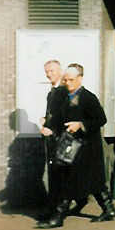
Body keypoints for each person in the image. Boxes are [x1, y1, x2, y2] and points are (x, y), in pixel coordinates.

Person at [37, 63, 115, 229]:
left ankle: (59, 216)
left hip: (87, 147)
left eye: (71, 80)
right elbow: (58, 118)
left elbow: (101, 119)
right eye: (65, 80)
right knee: (89, 180)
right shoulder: (66, 97)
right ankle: (109, 210)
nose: (68, 83)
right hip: (72, 147)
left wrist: (80, 124)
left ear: (80, 79)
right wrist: (49, 127)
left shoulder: (88, 98)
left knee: (72, 179)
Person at [39, 60, 69, 220]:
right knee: (53, 174)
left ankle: (57, 213)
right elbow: (53, 115)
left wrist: (52, 129)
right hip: (52, 140)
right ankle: (53, 209)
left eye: (51, 71)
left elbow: (65, 116)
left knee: (60, 175)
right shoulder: (52, 92)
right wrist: (45, 120)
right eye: (47, 71)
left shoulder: (64, 92)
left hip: (60, 139)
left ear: (60, 71)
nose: (48, 74)